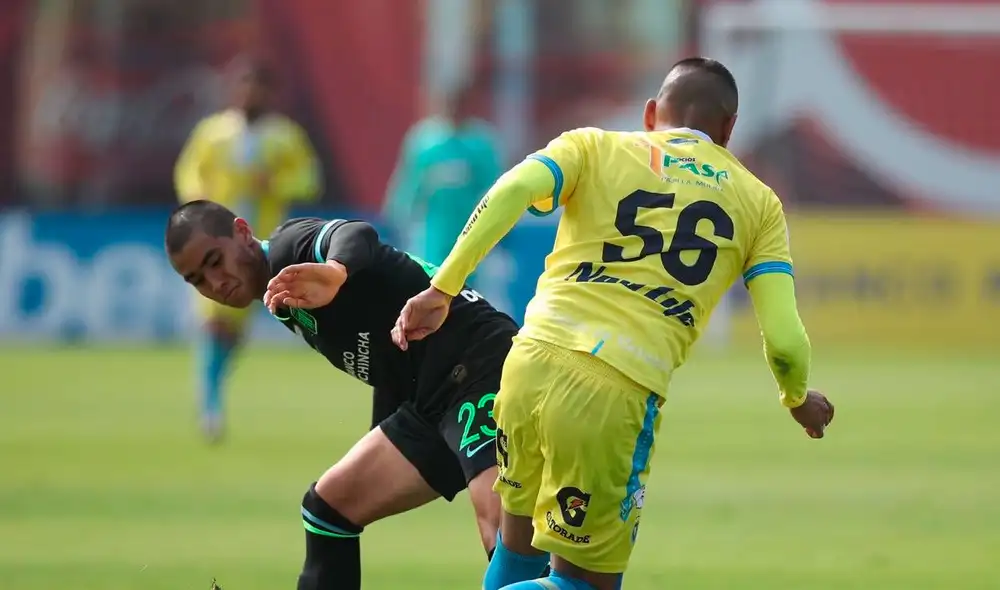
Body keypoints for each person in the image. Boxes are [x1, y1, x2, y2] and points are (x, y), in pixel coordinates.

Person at [391, 57, 836, 590]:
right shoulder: (758, 204)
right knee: (583, 584)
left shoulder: (593, 146)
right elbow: (785, 339)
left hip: (527, 365)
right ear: (728, 131)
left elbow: (509, 191)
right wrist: (796, 397)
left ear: (652, 114)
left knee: (518, 553)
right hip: (614, 387)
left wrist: (442, 289)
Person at [164, 200, 520, 590]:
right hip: (434, 395)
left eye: (215, 261)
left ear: (243, 233)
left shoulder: (287, 252)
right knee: (329, 509)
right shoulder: (283, 297)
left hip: (479, 362)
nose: (214, 283)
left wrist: (335, 270)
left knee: (502, 529)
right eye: (197, 279)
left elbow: (356, 233)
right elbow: (388, 361)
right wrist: (381, 438)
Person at [174, 59, 322, 441]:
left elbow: (308, 179)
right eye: (243, 85)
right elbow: (188, 172)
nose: (249, 94)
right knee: (214, 321)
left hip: (262, 246)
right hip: (215, 244)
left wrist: (276, 182)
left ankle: (212, 390)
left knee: (233, 331)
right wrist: (199, 208)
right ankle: (210, 404)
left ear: (269, 93)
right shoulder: (213, 133)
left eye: (257, 87)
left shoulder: (284, 137)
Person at [382, 82, 503, 270]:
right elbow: (409, 185)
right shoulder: (425, 141)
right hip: (433, 233)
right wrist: (398, 218)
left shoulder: (480, 143)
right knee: (430, 277)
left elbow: (494, 187)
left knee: (467, 287)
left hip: (471, 232)